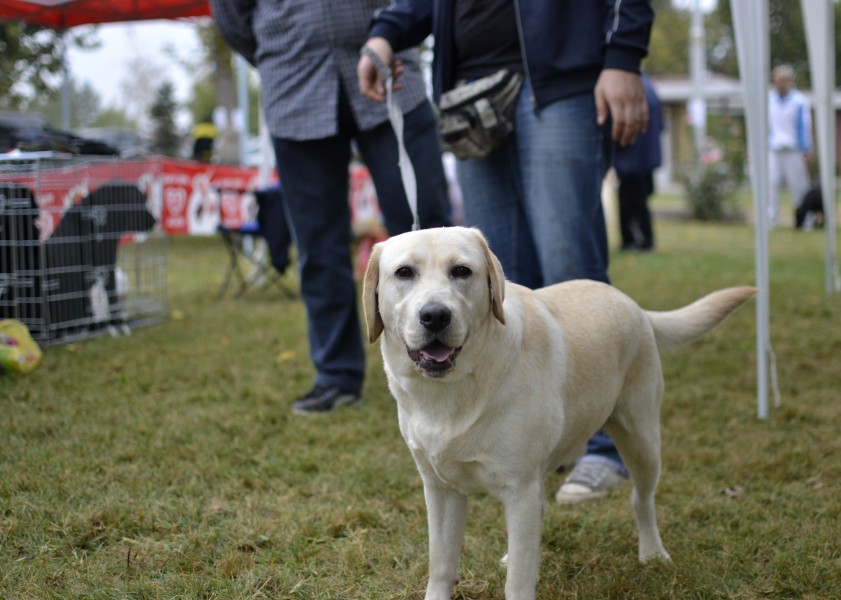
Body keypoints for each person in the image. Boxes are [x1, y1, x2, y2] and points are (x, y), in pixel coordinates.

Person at [358, 0, 653, 503]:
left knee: (571, 268)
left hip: (558, 80)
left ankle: (599, 446)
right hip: (470, 95)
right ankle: (525, 440)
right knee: (488, 287)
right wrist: (385, 32)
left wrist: (623, 54)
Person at [211, 0, 453, 415]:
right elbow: (232, 16)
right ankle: (336, 376)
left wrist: (394, 33)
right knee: (318, 245)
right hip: (293, 83)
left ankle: (451, 361)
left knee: (429, 233)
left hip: (391, 72)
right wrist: (281, 46)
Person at [614, 74, 663, 252]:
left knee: (630, 202)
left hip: (632, 158)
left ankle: (635, 241)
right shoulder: (651, 89)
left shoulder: (631, 89)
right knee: (641, 201)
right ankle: (643, 240)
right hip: (647, 158)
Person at [768, 64, 812, 228]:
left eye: (782, 81)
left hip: (794, 149)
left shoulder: (799, 101)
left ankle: (804, 220)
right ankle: (772, 219)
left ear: (789, 81)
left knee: (799, 186)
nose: (779, 84)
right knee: (771, 184)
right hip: (773, 148)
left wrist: (806, 148)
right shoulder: (769, 100)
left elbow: (804, 126)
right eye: (777, 80)